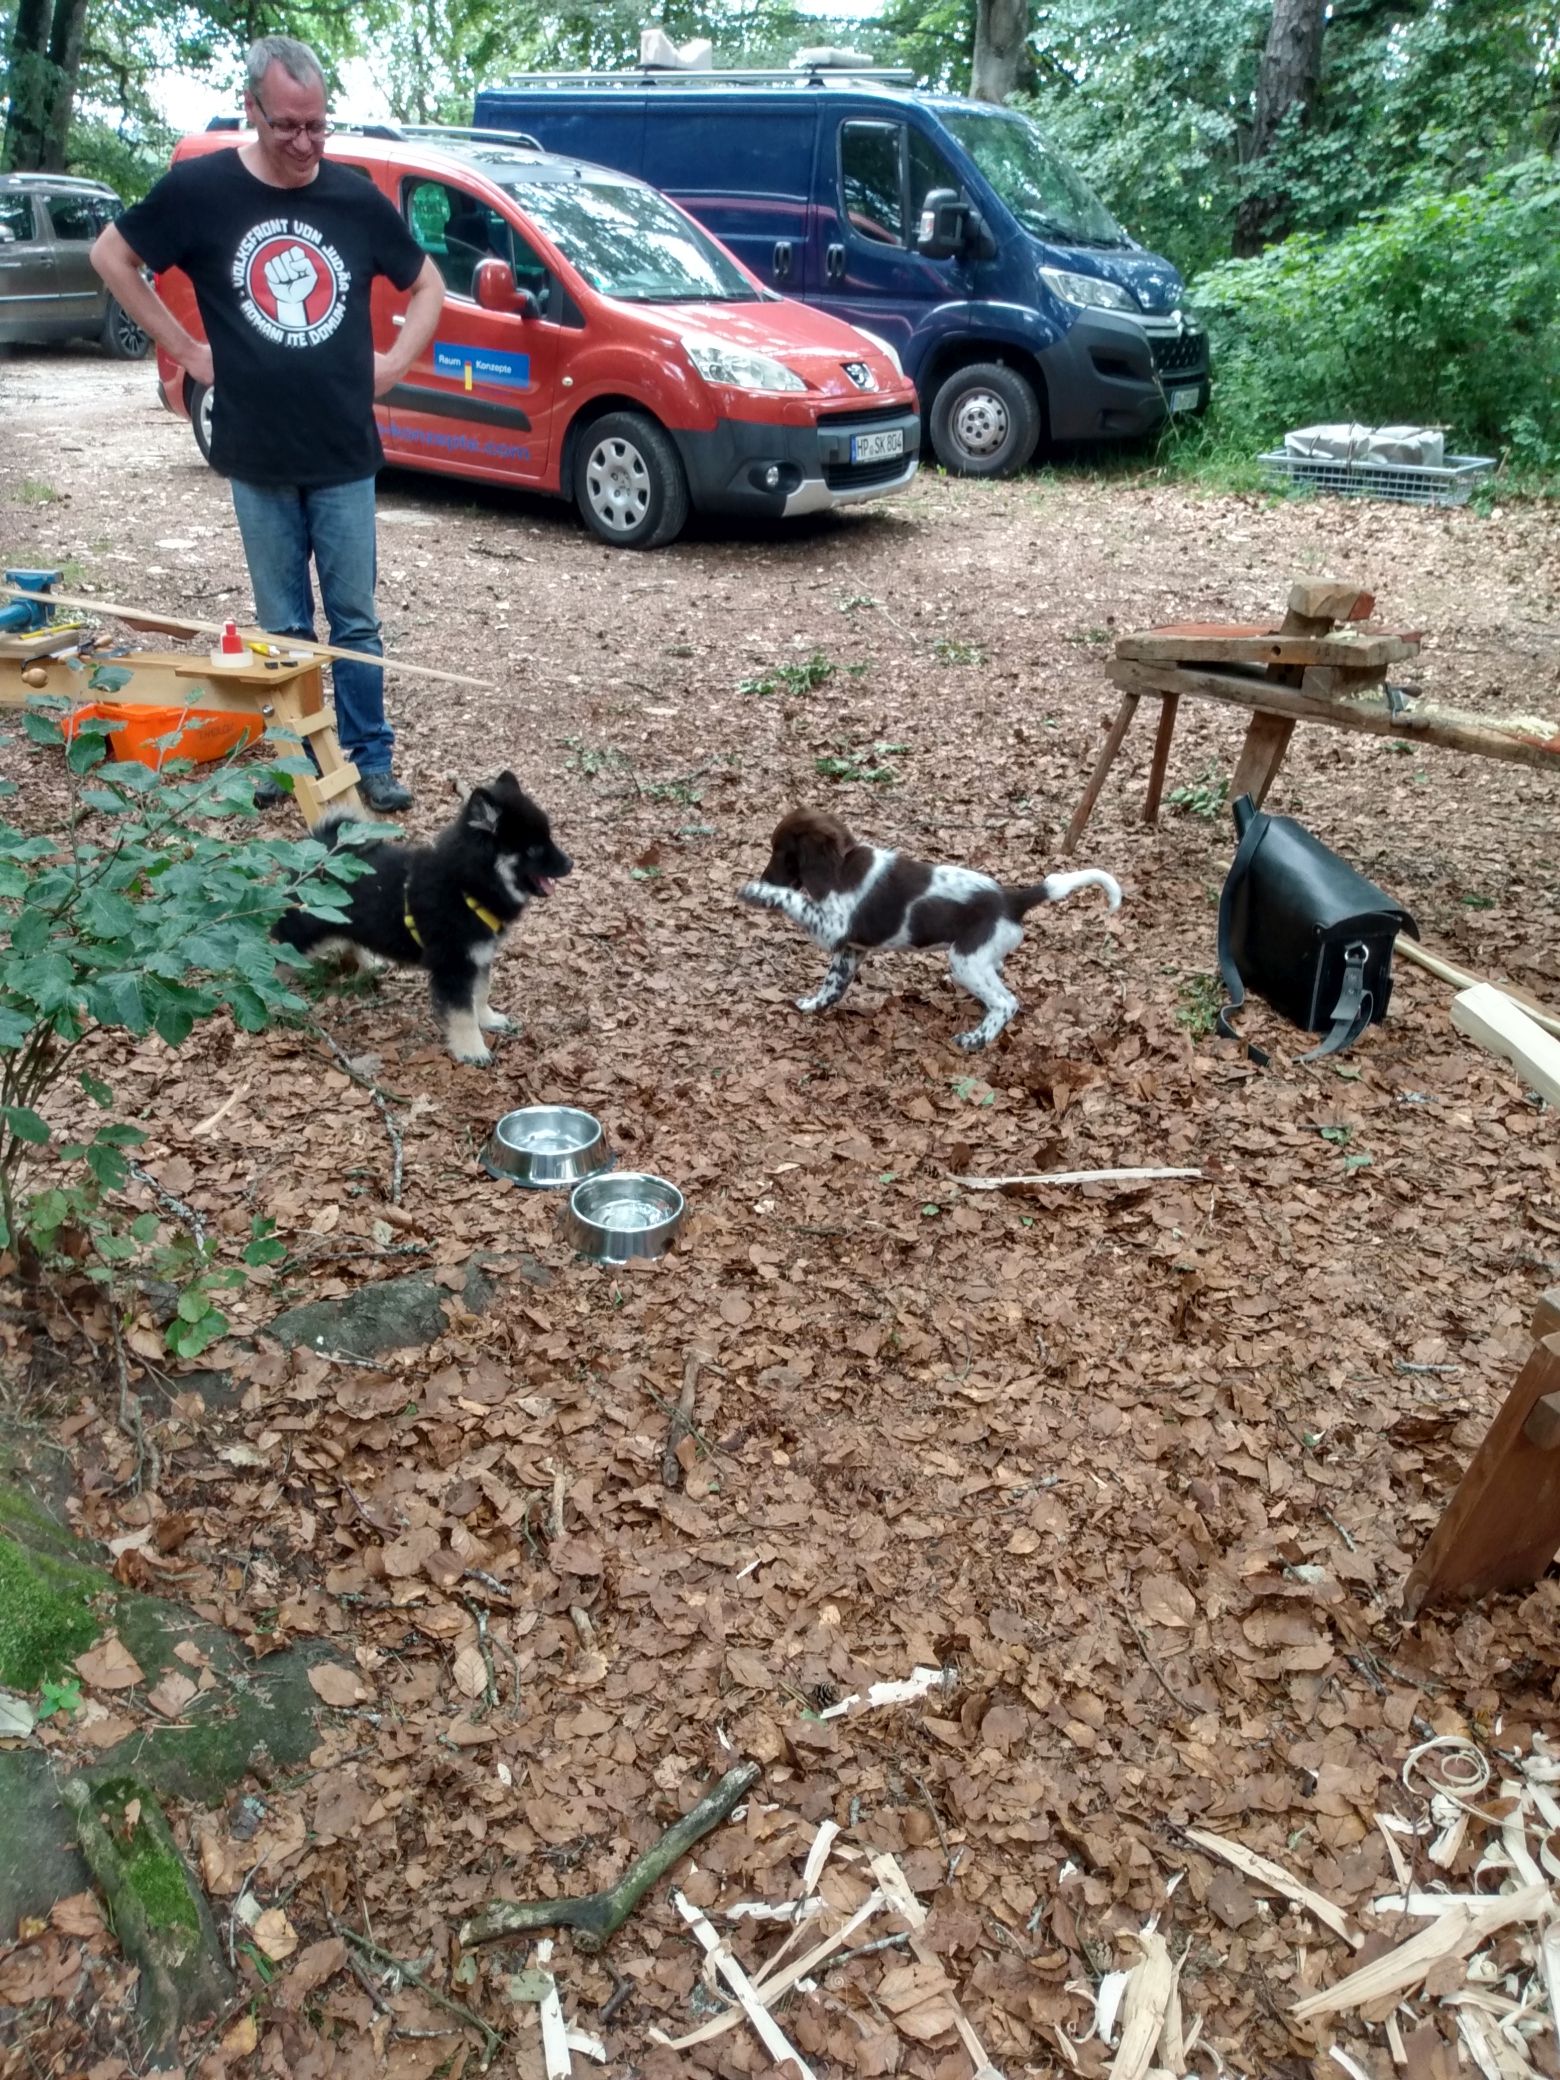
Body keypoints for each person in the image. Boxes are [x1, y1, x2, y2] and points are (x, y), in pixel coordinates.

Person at [90, 34, 445, 812]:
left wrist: (393, 365)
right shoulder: (203, 190)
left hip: (344, 450)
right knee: (282, 627)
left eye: (318, 125)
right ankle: (292, 762)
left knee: (355, 623)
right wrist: (185, 348)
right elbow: (112, 257)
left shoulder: (353, 198)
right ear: (251, 108)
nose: (306, 143)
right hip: (255, 451)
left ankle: (370, 758)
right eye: (288, 126)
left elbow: (429, 285)